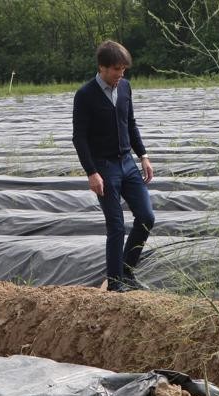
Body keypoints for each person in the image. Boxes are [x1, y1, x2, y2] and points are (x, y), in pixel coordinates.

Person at [72, 40, 155, 293]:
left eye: (124, 70)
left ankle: (127, 272)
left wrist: (143, 155)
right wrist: (91, 172)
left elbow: (130, 123)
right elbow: (80, 138)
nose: (121, 74)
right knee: (116, 226)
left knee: (146, 217)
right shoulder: (85, 95)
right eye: (117, 69)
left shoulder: (126, 88)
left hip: (127, 163)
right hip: (104, 168)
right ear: (102, 68)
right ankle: (116, 285)